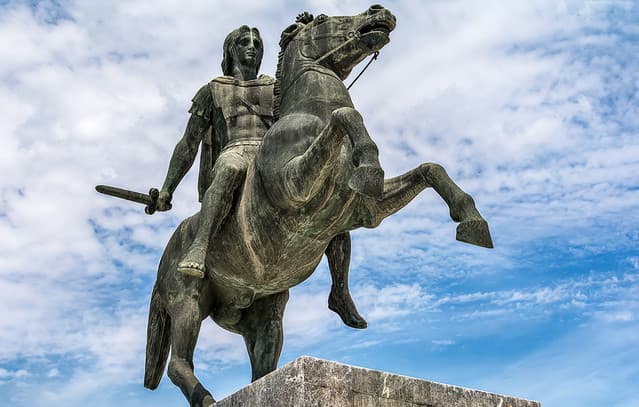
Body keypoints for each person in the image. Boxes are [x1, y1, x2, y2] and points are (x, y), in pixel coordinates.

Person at [156, 25, 366, 328]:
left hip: (275, 155)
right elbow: (188, 144)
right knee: (229, 170)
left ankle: (340, 290)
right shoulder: (212, 90)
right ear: (231, 50)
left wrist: (303, 30)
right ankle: (199, 246)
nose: (252, 47)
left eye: (256, 43)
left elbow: (310, 78)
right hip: (236, 150)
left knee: (330, 201)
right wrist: (167, 189)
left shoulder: (275, 88)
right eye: (244, 42)